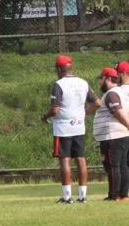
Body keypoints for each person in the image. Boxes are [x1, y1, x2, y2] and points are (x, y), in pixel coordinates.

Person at [42, 55, 101, 204]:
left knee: (65, 160)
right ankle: (82, 196)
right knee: (81, 159)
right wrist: (83, 113)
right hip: (79, 126)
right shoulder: (83, 83)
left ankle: (67, 196)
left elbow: (55, 110)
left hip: (63, 128)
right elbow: (97, 103)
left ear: (59, 69)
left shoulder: (59, 84)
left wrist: (44, 117)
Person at [93, 67, 129, 201]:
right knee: (123, 165)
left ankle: (114, 195)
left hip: (113, 135)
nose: (99, 83)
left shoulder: (111, 94)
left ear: (107, 79)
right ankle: (123, 195)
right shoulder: (121, 92)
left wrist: (127, 125)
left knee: (113, 165)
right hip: (121, 134)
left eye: (100, 79)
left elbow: (118, 112)